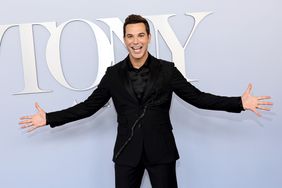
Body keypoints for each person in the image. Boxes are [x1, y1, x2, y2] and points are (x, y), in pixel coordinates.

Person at [19, 14, 272, 188]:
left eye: (140, 35)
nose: (136, 41)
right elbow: (88, 107)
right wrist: (49, 118)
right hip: (126, 154)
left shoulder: (167, 70)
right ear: (125, 39)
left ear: (149, 37)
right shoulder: (113, 75)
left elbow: (198, 98)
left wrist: (240, 102)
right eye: (130, 36)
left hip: (161, 152)